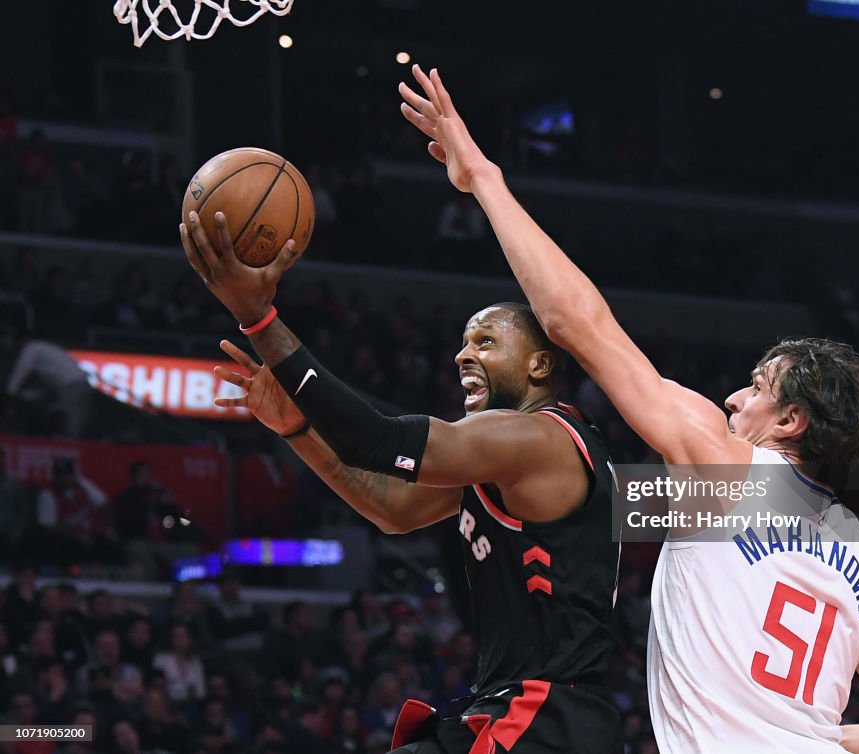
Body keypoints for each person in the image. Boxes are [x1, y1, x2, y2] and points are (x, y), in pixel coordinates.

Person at [399, 65, 859, 754]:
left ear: (791, 422)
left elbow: (577, 322)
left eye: (756, 386)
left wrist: (483, 176)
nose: (733, 397)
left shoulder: (722, 464)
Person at [179, 211, 624, 753]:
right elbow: (389, 506)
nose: (463, 354)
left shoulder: (538, 440)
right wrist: (297, 429)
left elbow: (377, 441)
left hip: (547, 719)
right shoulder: (502, 459)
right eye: (464, 342)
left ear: (537, 366)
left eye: (485, 342)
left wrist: (258, 318)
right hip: (516, 711)